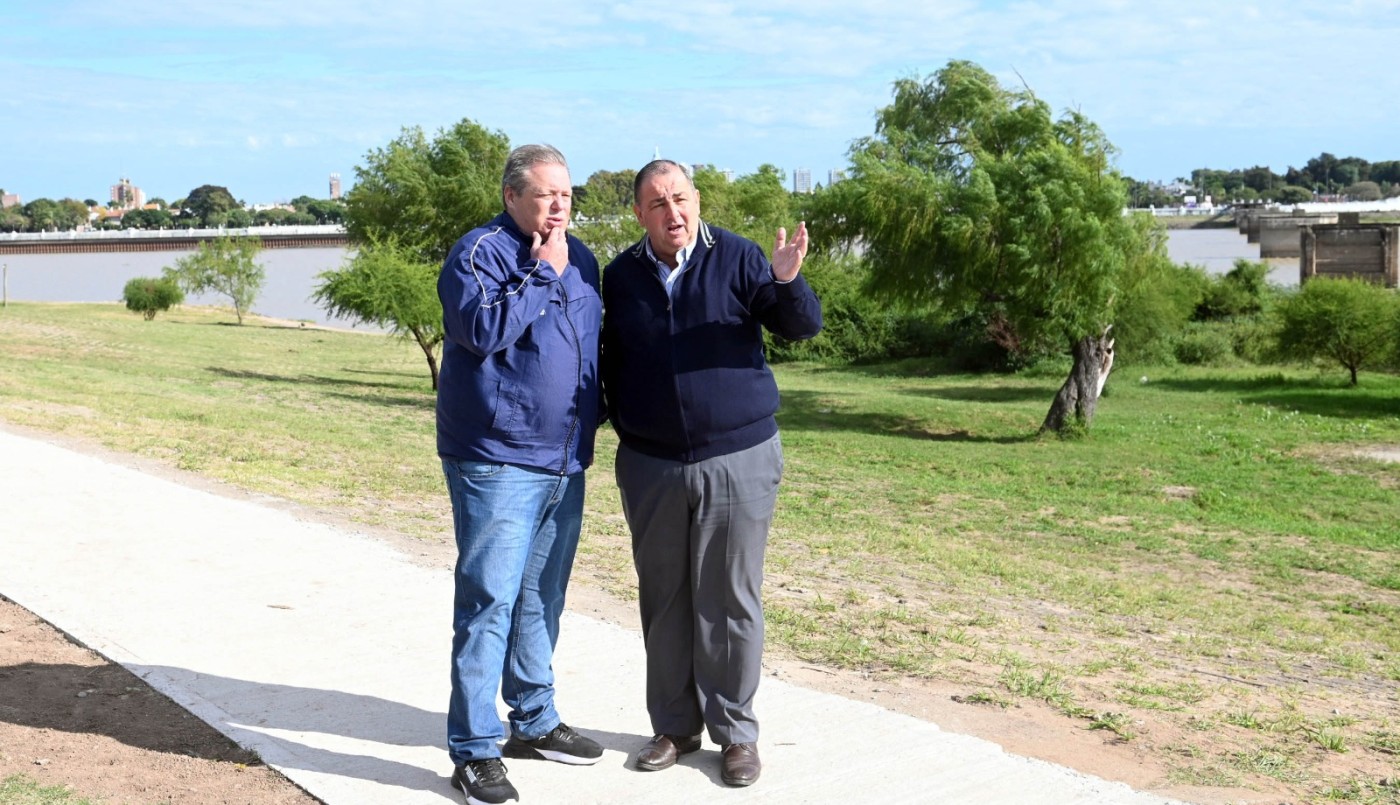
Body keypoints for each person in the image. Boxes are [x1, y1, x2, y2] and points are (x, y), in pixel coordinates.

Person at [601, 159, 823, 788]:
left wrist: (785, 282)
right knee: (664, 599)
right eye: (657, 204)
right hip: (651, 464)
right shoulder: (620, 277)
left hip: (738, 458)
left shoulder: (741, 257)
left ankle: (736, 735)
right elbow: (605, 360)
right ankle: (673, 728)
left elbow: (801, 325)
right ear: (639, 214)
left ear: (696, 200)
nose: (673, 213)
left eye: (680, 199)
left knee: (730, 600)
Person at [437, 143, 604, 805]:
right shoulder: (479, 253)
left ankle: (533, 720)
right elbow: (480, 331)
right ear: (512, 197)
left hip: (564, 460)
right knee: (489, 602)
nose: (560, 205)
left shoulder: (584, 258)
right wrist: (538, 273)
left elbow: (593, 348)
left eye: (566, 193)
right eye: (546, 194)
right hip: (497, 459)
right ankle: (474, 751)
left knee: (541, 599)